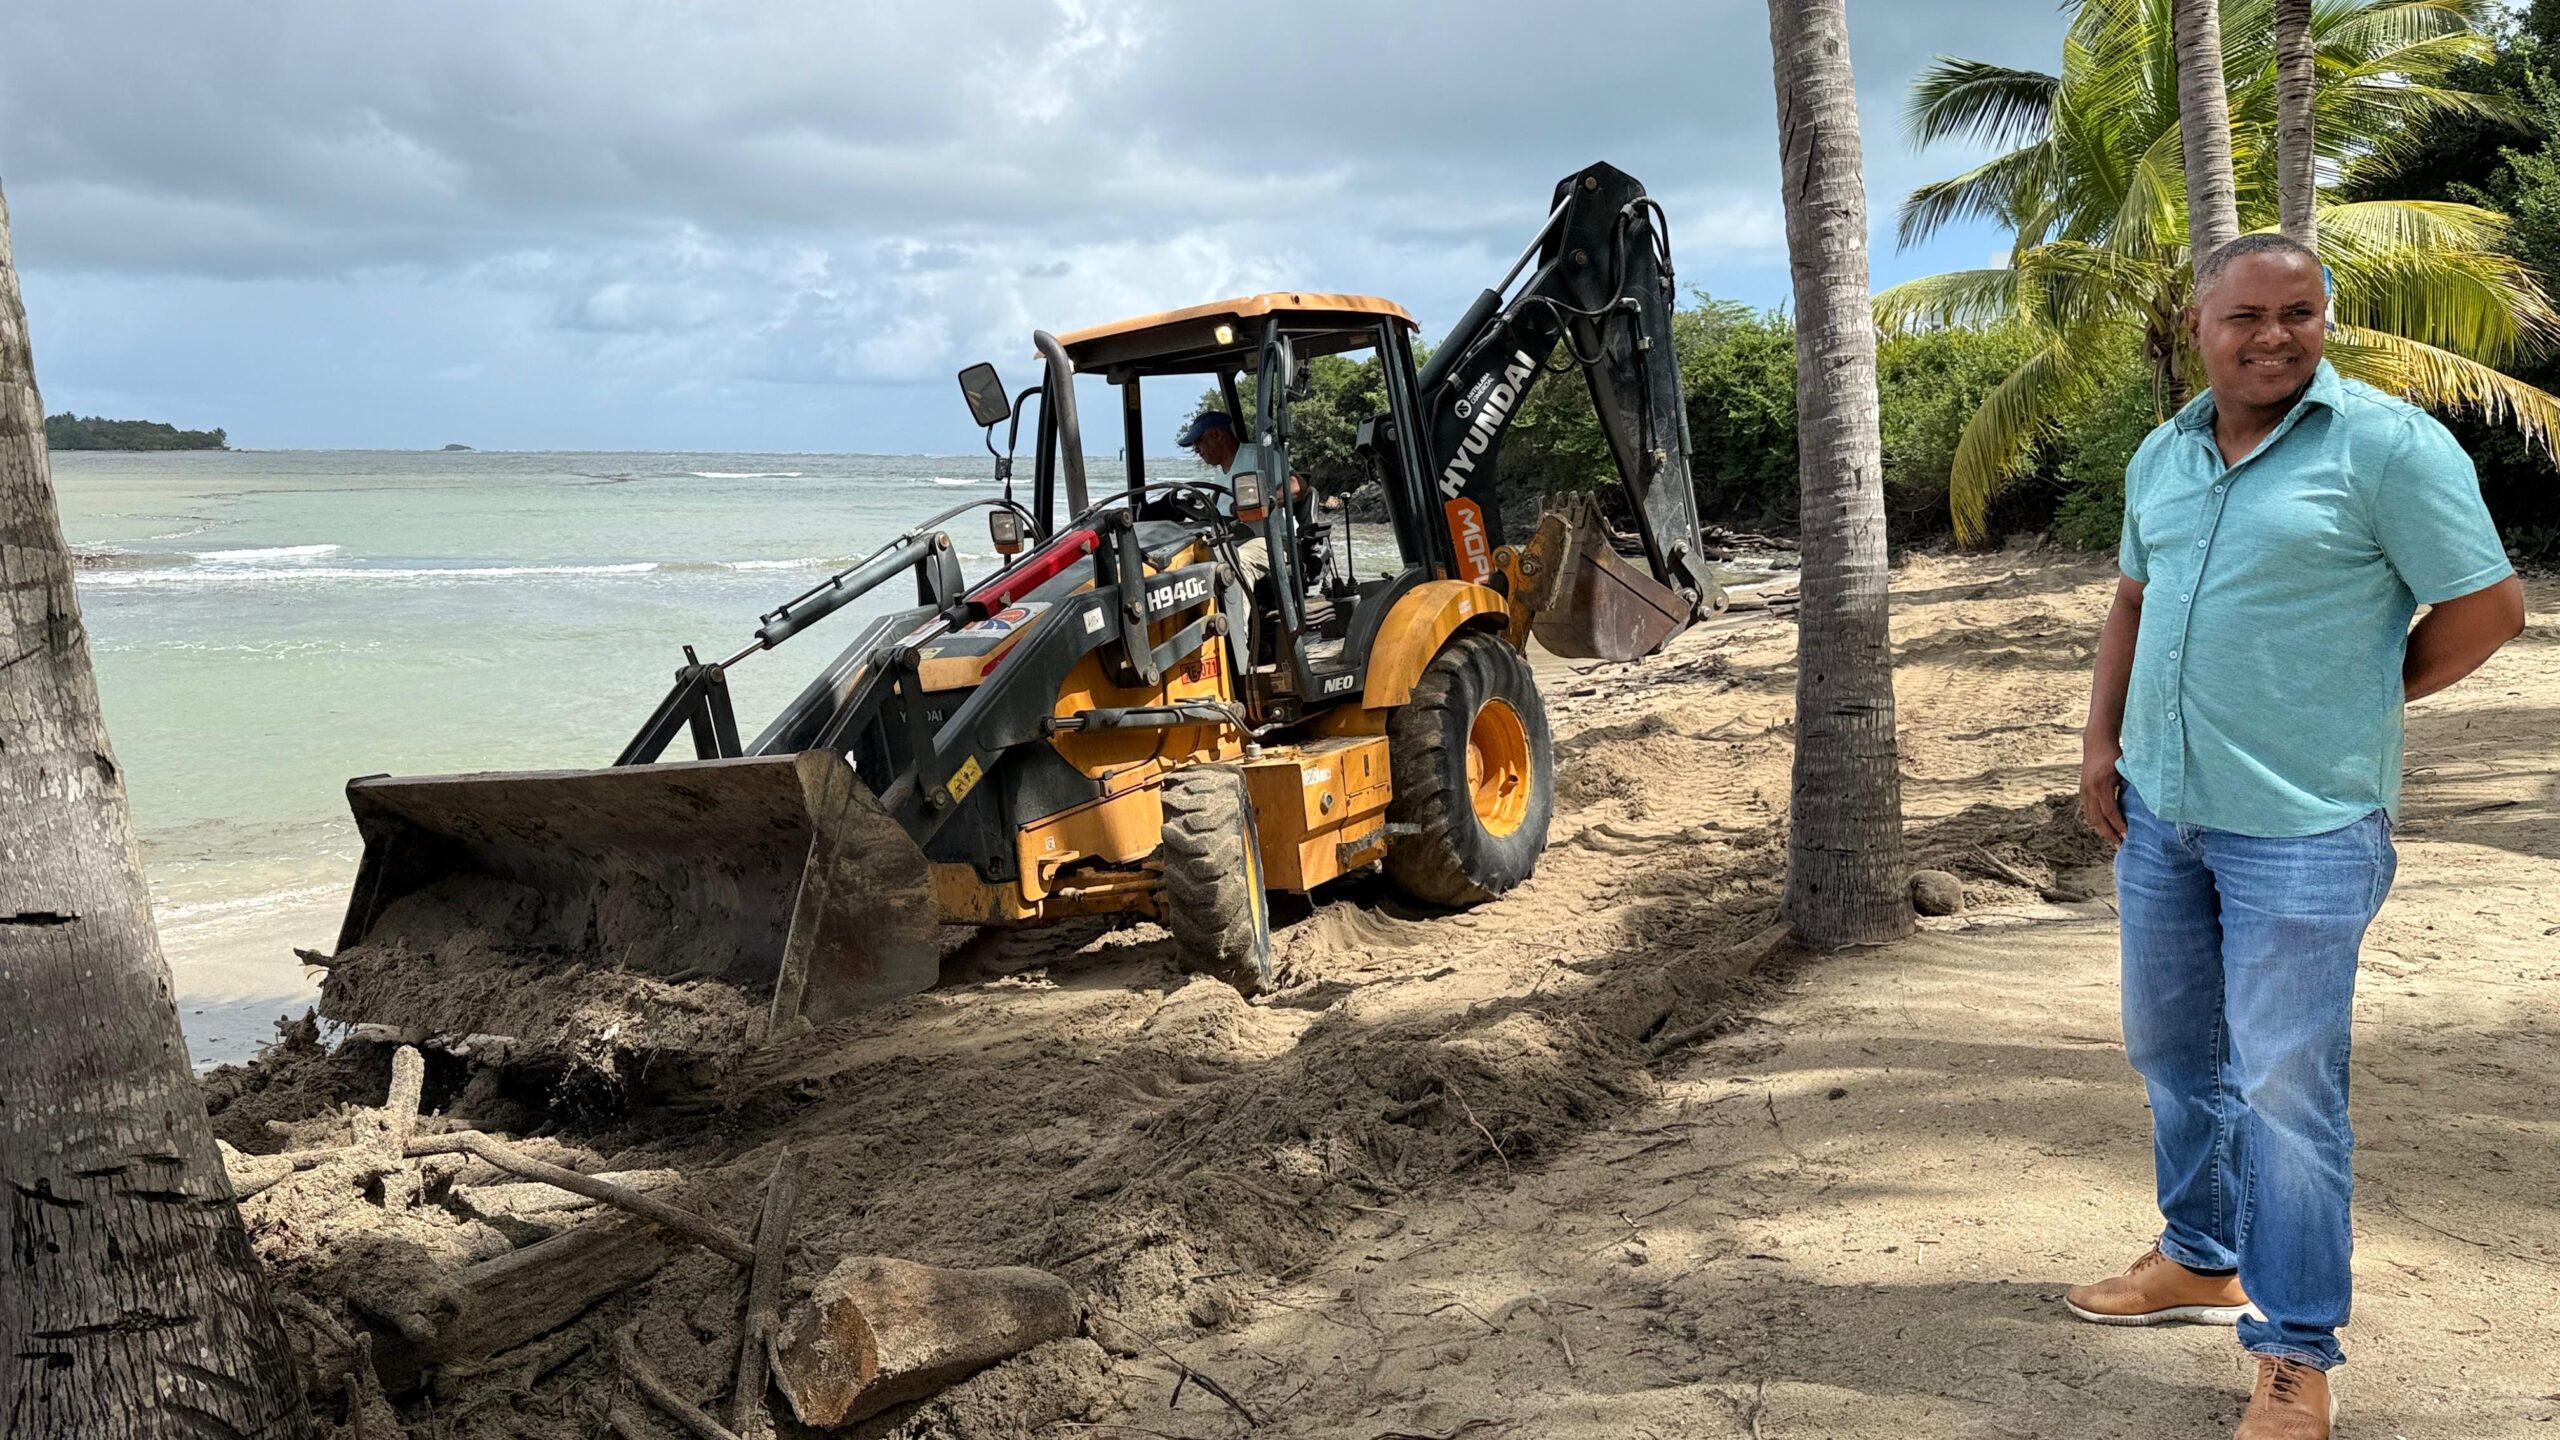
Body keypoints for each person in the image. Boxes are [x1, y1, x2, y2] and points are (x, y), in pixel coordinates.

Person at [2073, 232, 2525, 1440]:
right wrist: (2099, 747)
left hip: (2307, 827)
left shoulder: (2384, 446)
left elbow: (2490, 608)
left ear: (2324, 320)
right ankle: (2199, 1255)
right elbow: (2132, 602)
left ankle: (2294, 1349)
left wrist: (2365, 696)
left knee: (2284, 1090)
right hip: (2166, 812)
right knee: (2170, 1052)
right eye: (2247, 317)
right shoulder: (2162, 455)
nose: (2275, 335)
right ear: (2197, 328)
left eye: (2301, 312)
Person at [1176, 408, 1301, 592]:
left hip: (1269, 540)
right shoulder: (1220, 472)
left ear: (1216, 434)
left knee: (1233, 567)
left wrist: (1259, 500)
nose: (1197, 450)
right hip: (1232, 539)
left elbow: (1297, 486)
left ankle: (1237, 621)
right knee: (1184, 564)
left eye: (1198, 442)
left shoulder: (1260, 457)